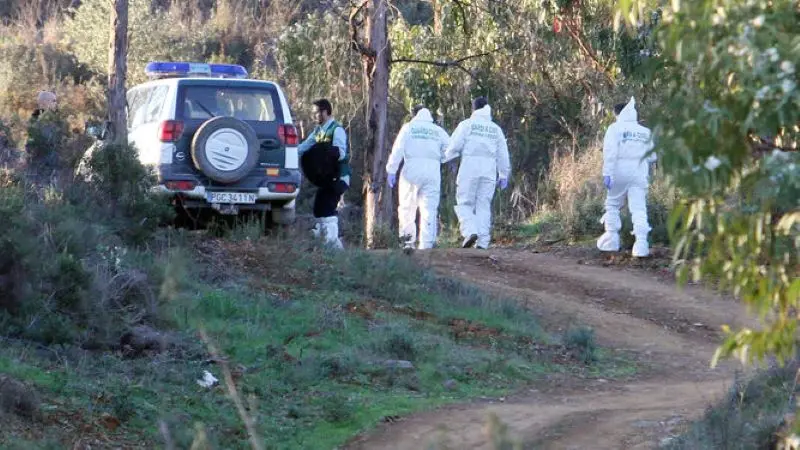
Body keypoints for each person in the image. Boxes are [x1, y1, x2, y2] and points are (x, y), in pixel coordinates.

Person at [444, 96, 511, 249]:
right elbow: (503, 154)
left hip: (470, 168)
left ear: (473, 109)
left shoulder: (467, 125)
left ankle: (470, 231)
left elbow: (453, 147)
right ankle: (482, 242)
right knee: (483, 205)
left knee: (464, 203)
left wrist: (443, 158)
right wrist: (503, 174)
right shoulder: (495, 129)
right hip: (489, 170)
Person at [597, 96, 657, 257]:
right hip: (640, 172)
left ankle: (611, 240)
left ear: (618, 114)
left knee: (612, 204)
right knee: (638, 208)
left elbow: (610, 153)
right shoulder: (645, 132)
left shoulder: (614, 129)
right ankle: (641, 245)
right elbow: (653, 156)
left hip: (619, 170)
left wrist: (607, 173)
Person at [386, 104, 450, 250]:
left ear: (414, 114)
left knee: (407, 208)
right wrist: (441, 158)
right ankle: (427, 246)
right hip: (432, 172)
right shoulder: (437, 131)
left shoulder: (408, 128)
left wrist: (391, 170)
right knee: (429, 209)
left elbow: (398, 149)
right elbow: (452, 148)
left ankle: (407, 243)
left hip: (411, 170)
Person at [298, 98, 350, 249]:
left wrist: (328, 153)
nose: (314, 116)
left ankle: (332, 246)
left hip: (339, 177)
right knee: (318, 209)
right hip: (326, 179)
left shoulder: (336, 129)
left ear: (325, 112)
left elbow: (340, 153)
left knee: (327, 208)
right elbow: (304, 147)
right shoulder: (318, 131)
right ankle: (326, 245)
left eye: (316, 113)